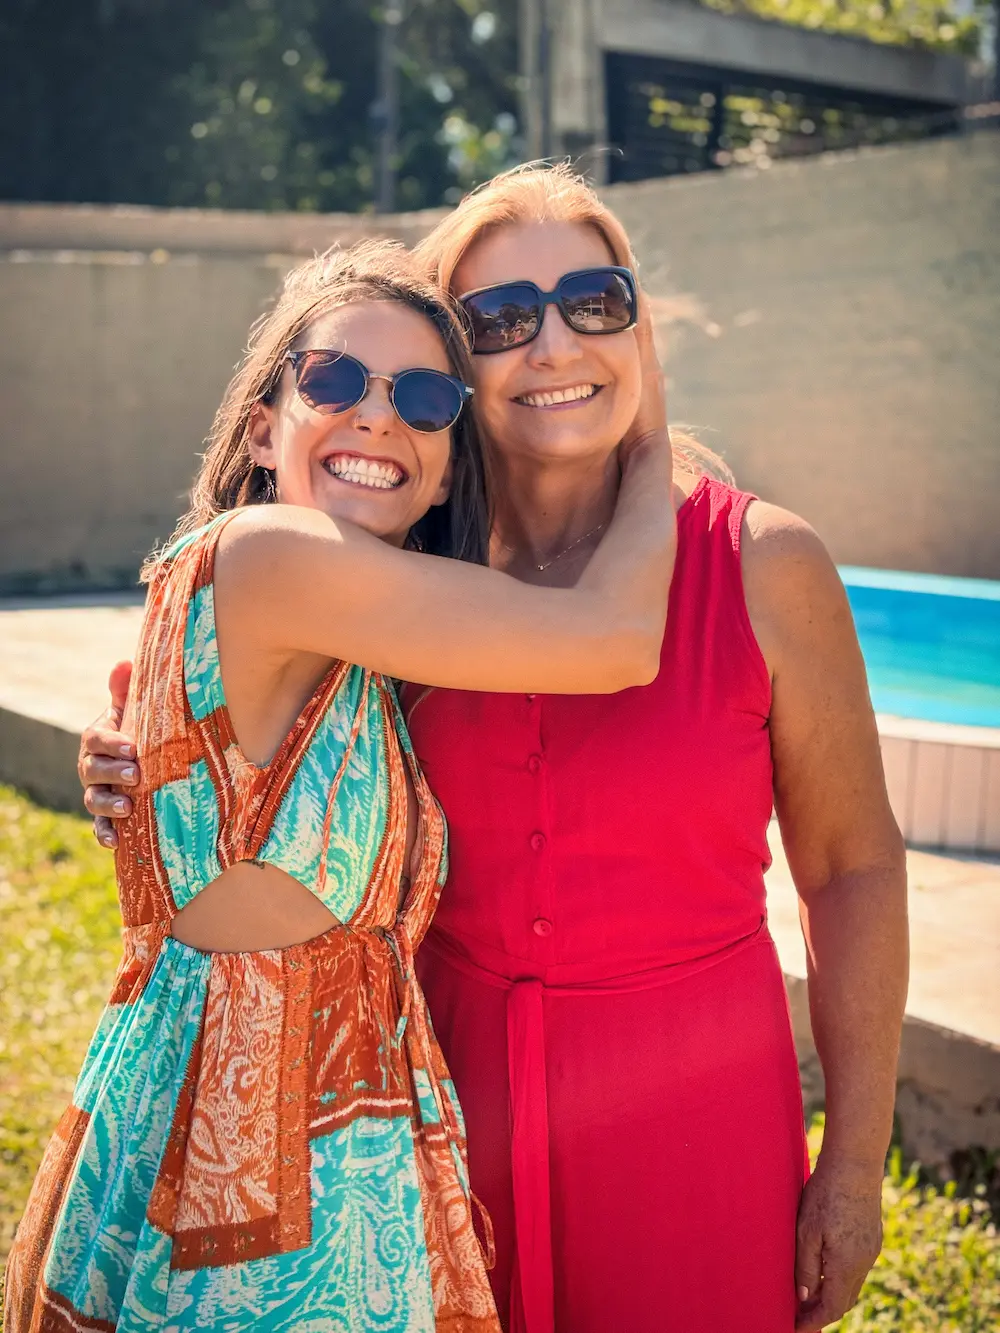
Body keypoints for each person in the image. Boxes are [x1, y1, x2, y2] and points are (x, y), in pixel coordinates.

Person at [79, 167, 909, 1333]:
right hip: (424, 1115)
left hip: (696, 1107)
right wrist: (128, 753)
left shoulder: (767, 565)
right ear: (462, 377)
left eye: (596, 301)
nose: (554, 341)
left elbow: (853, 865)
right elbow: (227, 714)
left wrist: (857, 1162)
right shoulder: (398, 569)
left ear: (639, 327)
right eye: (502, 320)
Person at [8, 238, 678, 1333]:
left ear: (451, 462)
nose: (376, 416)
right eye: (332, 381)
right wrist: (645, 436)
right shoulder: (275, 556)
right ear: (265, 425)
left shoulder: (351, 635)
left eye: (422, 397)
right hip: (244, 1191)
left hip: (317, 1151)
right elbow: (612, 637)